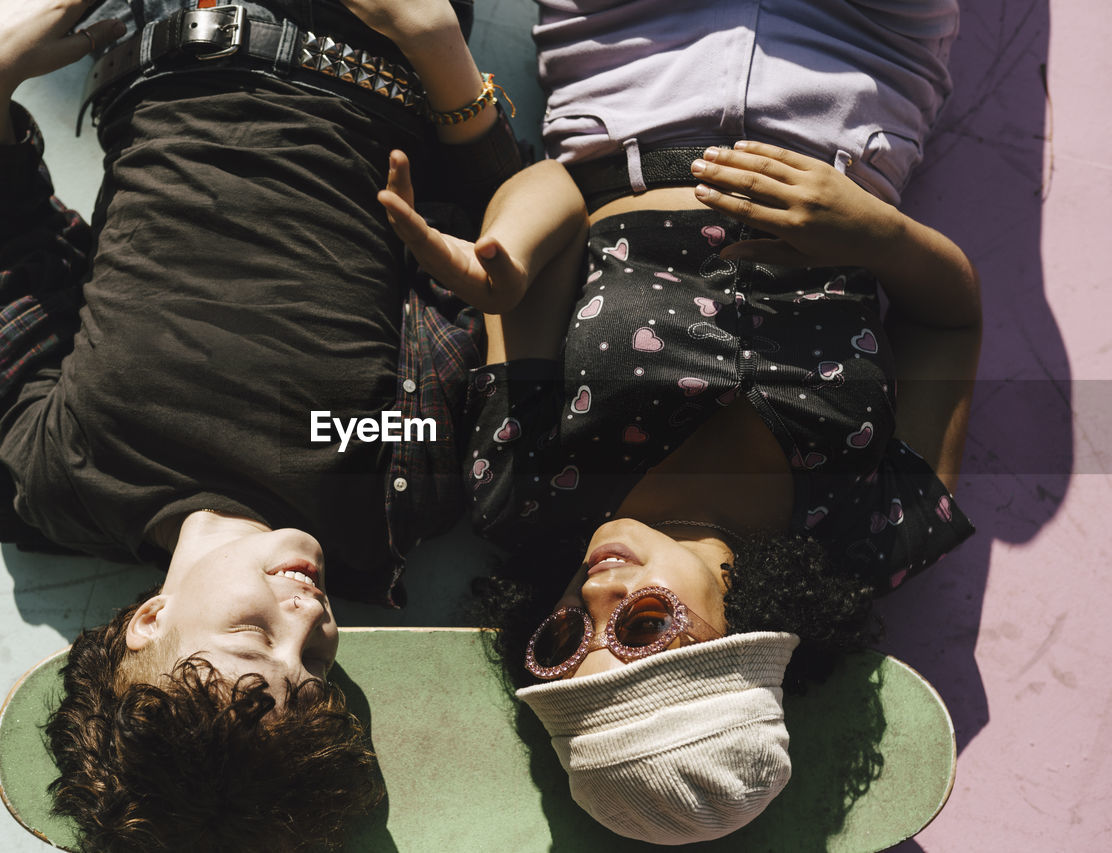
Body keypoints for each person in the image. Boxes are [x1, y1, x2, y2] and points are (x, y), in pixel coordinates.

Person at [0, 0, 521, 849]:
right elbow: (476, 261)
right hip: (382, 46)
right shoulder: (385, 493)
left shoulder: (59, 474)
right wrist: (442, 54)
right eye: (315, 670)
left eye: (253, 635)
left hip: (170, 32)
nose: (308, 620)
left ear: (147, 625)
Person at [376, 0, 979, 843]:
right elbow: (950, 319)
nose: (594, 592)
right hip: (866, 66)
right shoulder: (870, 531)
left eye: (563, 636)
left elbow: (559, 187)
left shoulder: (529, 488)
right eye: (642, 627)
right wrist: (875, 234)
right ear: (747, 639)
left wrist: (504, 258)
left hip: (621, 55)